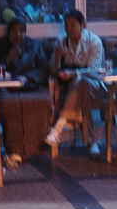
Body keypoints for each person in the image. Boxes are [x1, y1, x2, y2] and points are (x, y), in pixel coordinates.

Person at [44, 10, 107, 150]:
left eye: (72, 25)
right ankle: (92, 142)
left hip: (94, 84)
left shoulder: (94, 41)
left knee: (83, 82)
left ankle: (59, 125)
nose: (68, 29)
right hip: (71, 88)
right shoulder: (62, 41)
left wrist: (73, 73)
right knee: (81, 88)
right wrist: (57, 55)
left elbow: (94, 70)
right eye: (66, 25)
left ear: (82, 24)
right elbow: (52, 71)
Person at [0, 18, 47, 88]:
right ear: (9, 32)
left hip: (29, 85)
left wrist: (27, 77)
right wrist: (9, 58)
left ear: (25, 32)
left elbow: (44, 68)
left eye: (21, 31)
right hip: (4, 86)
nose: (18, 34)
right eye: (14, 31)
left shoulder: (34, 45)